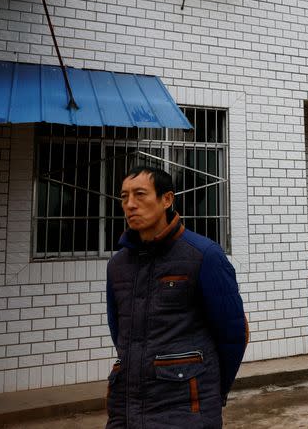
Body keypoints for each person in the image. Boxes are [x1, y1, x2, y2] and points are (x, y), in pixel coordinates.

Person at [105, 166, 247, 428]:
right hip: (125, 409)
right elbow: (121, 333)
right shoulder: (118, 265)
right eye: (124, 197)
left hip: (187, 407)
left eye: (140, 194)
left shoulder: (204, 255)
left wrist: (210, 391)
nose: (130, 205)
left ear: (167, 199)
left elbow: (234, 335)